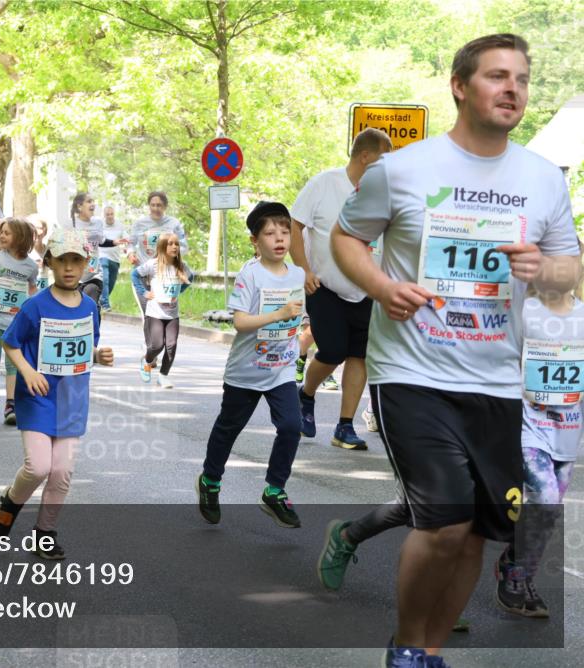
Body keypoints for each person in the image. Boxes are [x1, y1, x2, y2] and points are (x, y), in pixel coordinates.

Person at [331, 34, 580, 667]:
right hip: (411, 370)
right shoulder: (403, 169)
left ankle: (430, 650)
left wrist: (542, 271)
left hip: (497, 379)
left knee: (475, 530)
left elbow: (568, 277)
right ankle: (407, 650)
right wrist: (382, 287)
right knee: (442, 519)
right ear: (460, 86)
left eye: (521, 78)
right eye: (497, 76)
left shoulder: (542, 179)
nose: (513, 89)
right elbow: (345, 236)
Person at [0, 227, 114, 559]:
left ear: (87, 263)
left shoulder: (89, 308)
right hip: (38, 398)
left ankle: (44, 533)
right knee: (39, 467)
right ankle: (11, 503)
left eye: (76, 261)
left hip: (72, 400)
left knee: (62, 471)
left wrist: (98, 356)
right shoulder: (36, 306)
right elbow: (10, 342)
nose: (69, 268)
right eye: (62, 261)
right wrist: (28, 372)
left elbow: (87, 349)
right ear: (49, 263)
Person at [197, 202, 305, 529]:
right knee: (229, 429)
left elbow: (303, 317)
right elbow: (240, 323)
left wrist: (301, 345)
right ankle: (210, 481)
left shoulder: (299, 274)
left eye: (284, 231)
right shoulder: (250, 275)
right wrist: (278, 315)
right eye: (270, 233)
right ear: (254, 241)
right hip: (246, 369)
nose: (279, 238)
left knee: (291, 425)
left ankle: (274, 490)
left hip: (281, 370)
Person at [289, 128, 393, 450]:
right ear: (365, 156)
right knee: (332, 350)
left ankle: (345, 426)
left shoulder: (385, 194)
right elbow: (295, 224)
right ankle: (305, 394)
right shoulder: (325, 183)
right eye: (383, 157)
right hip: (324, 285)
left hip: (366, 289)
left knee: (358, 355)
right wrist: (304, 269)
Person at [495, 253, 583, 618]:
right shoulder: (523, 311)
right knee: (544, 496)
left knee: (548, 510)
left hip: (569, 430)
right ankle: (515, 577)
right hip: (529, 426)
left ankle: (518, 566)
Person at [0, 218, 39, 424]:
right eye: (1, 232)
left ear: (20, 237)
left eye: (7, 233)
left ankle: (10, 406)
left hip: (15, 321)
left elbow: (32, 288)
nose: (1, 236)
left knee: (13, 365)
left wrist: (32, 305)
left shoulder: (30, 266)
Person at [132, 233, 193, 388]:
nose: (174, 247)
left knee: (171, 345)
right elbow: (135, 275)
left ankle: (163, 376)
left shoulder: (182, 266)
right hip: (155, 313)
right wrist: (144, 292)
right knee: (157, 345)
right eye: (170, 244)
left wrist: (179, 291)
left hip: (172, 314)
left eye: (177, 244)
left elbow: (191, 278)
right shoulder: (153, 265)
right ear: (162, 246)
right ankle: (146, 360)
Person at [126, 191, 188, 318]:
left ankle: (162, 337)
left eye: (159, 205)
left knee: (164, 314)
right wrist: (131, 254)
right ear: (149, 206)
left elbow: (184, 246)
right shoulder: (140, 223)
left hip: (165, 275)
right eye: (153, 205)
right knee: (148, 314)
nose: (156, 208)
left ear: (165, 206)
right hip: (143, 273)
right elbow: (130, 244)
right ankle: (151, 338)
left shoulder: (173, 223)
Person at [98, 205, 126, 311]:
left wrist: (126, 247)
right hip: (103, 256)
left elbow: (125, 238)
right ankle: (105, 304)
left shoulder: (119, 225)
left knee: (111, 282)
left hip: (115, 258)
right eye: (107, 214)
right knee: (104, 279)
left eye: (111, 214)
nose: (110, 216)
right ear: (104, 215)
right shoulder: (100, 226)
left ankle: (101, 299)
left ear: (114, 214)